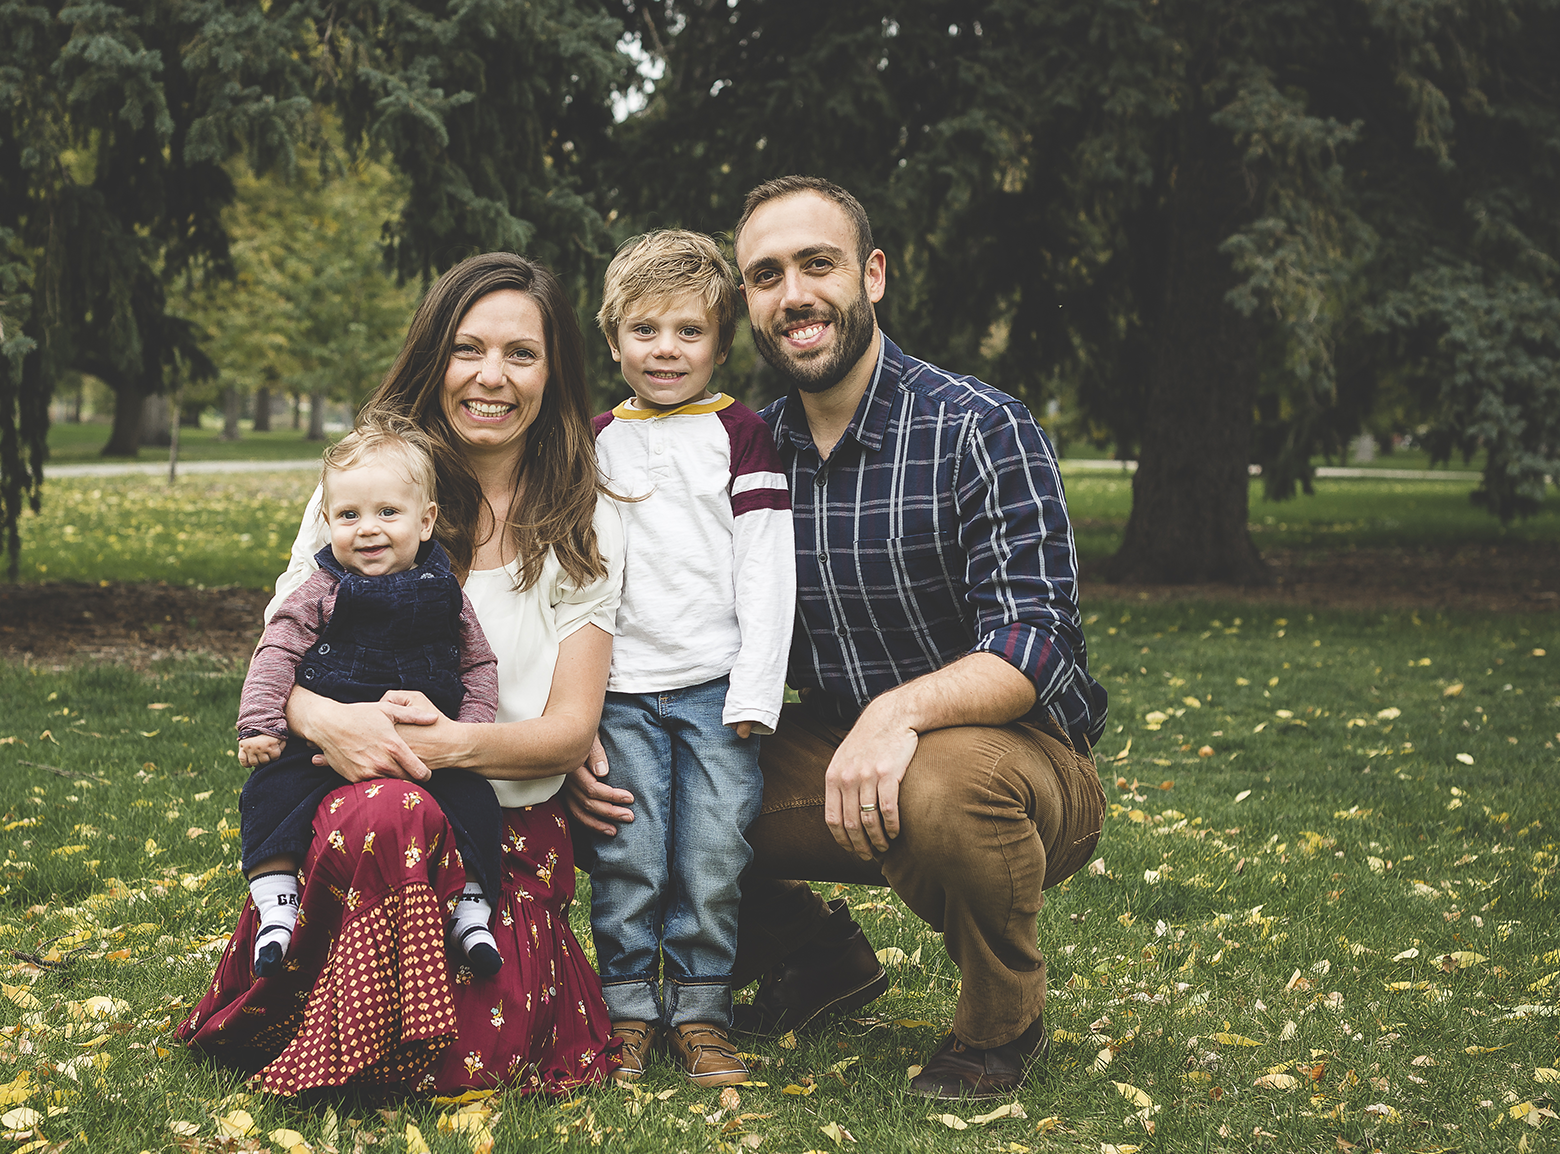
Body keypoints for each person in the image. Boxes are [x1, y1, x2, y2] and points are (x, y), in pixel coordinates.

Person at [569, 177, 1108, 1100]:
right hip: (828, 747)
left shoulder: (977, 426)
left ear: (872, 275)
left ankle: (998, 1025)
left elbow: (1036, 638)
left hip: (1013, 759)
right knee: (628, 784)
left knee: (940, 781)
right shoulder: (748, 443)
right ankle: (815, 959)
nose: (795, 294)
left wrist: (898, 717)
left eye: (817, 264)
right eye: (767, 275)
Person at [178, 252, 624, 1097]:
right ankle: (316, 992)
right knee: (385, 809)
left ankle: (441, 970)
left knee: (473, 1056)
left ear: (553, 369)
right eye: (467, 349)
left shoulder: (581, 516)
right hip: (352, 823)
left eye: (521, 354)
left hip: (490, 833)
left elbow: (569, 729)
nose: (491, 377)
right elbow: (279, 650)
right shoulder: (359, 493)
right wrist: (327, 722)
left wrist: (450, 746)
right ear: (434, 357)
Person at [586, 230, 795, 1087]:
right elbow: (581, 567)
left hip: (717, 689)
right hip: (621, 690)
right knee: (628, 855)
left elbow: (766, 563)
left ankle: (703, 1013)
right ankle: (628, 1009)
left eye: (687, 333)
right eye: (644, 331)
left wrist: (756, 685)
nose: (664, 350)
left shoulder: (740, 435)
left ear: (719, 342)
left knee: (711, 855)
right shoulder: (595, 439)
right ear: (614, 340)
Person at [232, 423, 506, 981]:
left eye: (388, 513)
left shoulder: (446, 591)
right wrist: (260, 724)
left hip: (426, 751)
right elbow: (276, 649)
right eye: (349, 516)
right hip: (322, 747)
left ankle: (471, 908)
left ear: (425, 519)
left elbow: (478, 664)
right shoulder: (321, 589)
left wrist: (467, 730)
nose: (367, 530)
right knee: (270, 793)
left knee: (476, 802)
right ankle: (278, 901)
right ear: (327, 522)